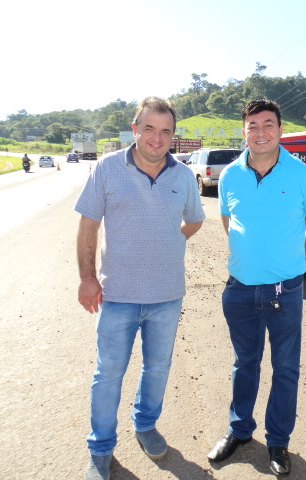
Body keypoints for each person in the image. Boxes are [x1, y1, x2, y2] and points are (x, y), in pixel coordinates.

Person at [75, 96, 205, 480]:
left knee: (158, 368)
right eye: (149, 128)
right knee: (108, 374)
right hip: (116, 295)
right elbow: (88, 226)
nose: (156, 138)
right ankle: (101, 448)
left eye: (165, 131)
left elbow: (195, 220)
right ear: (135, 129)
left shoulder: (183, 176)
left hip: (167, 296)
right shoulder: (107, 168)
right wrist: (87, 278)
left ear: (173, 136)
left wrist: (172, 240)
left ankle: (145, 424)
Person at [207, 100, 306, 476]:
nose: (261, 132)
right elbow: (228, 222)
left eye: (268, 124)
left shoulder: (302, 174)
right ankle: (240, 431)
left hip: (284, 292)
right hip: (239, 289)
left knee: (285, 368)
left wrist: (291, 260)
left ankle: (278, 441)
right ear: (244, 131)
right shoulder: (230, 175)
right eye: (253, 125)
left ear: (280, 129)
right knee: (244, 364)